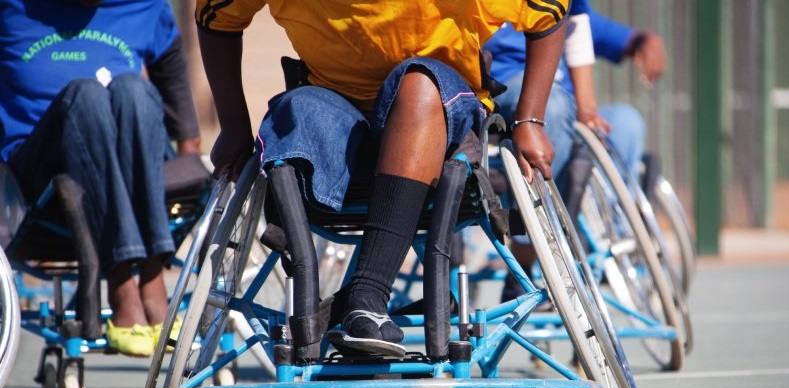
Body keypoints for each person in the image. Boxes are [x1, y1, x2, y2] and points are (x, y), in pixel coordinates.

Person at [195, 0, 568, 358]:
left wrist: (530, 120)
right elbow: (216, 19)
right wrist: (233, 126)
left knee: (418, 84)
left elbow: (548, 11)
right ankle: (310, 311)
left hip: (439, 108)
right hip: (335, 105)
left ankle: (366, 295)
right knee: (295, 107)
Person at [0, 0, 201, 357]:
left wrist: (190, 151)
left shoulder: (144, 6)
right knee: (86, 94)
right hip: (38, 180)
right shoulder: (11, 8)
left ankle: (152, 274)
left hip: (130, 166)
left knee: (135, 90)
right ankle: (121, 282)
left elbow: (172, 75)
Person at [484, 1, 667, 300]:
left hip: (571, 110)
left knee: (627, 121)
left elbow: (603, 30)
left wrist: (646, 40)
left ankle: (613, 241)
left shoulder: (571, 12)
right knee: (552, 107)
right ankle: (527, 254)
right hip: (510, 99)